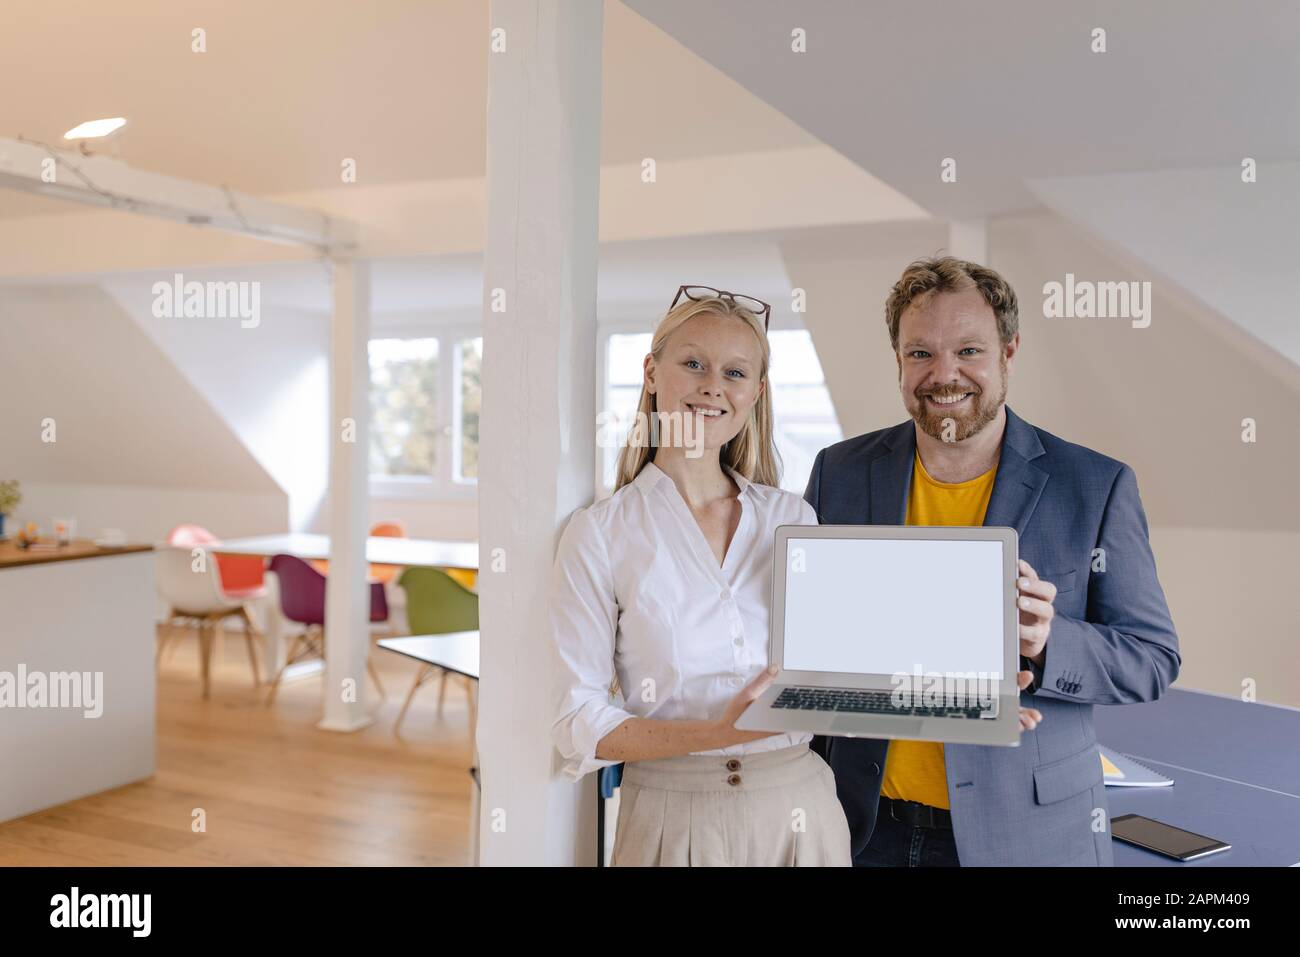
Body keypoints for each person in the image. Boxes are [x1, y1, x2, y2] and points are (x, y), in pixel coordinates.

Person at [807, 256, 1181, 866]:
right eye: (920, 353)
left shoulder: (1094, 484)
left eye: (969, 351)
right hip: (863, 831)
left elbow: (1153, 659)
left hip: (1025, 838)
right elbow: (813, 639)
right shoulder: (839, 472)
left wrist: (1046, 640)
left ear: (1009, 353)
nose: (944, 374)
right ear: (898, 360)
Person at [549, 286, 851, 866]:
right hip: (669, 815)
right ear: (651, 372)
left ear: (755, 393)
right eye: (693, 363)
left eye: (735, 372)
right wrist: (721, 731)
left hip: (800, 810)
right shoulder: (601, 533)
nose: (714, 385)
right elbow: (577, 719)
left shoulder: (793, 518)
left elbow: (833, 673)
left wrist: (958, 689)